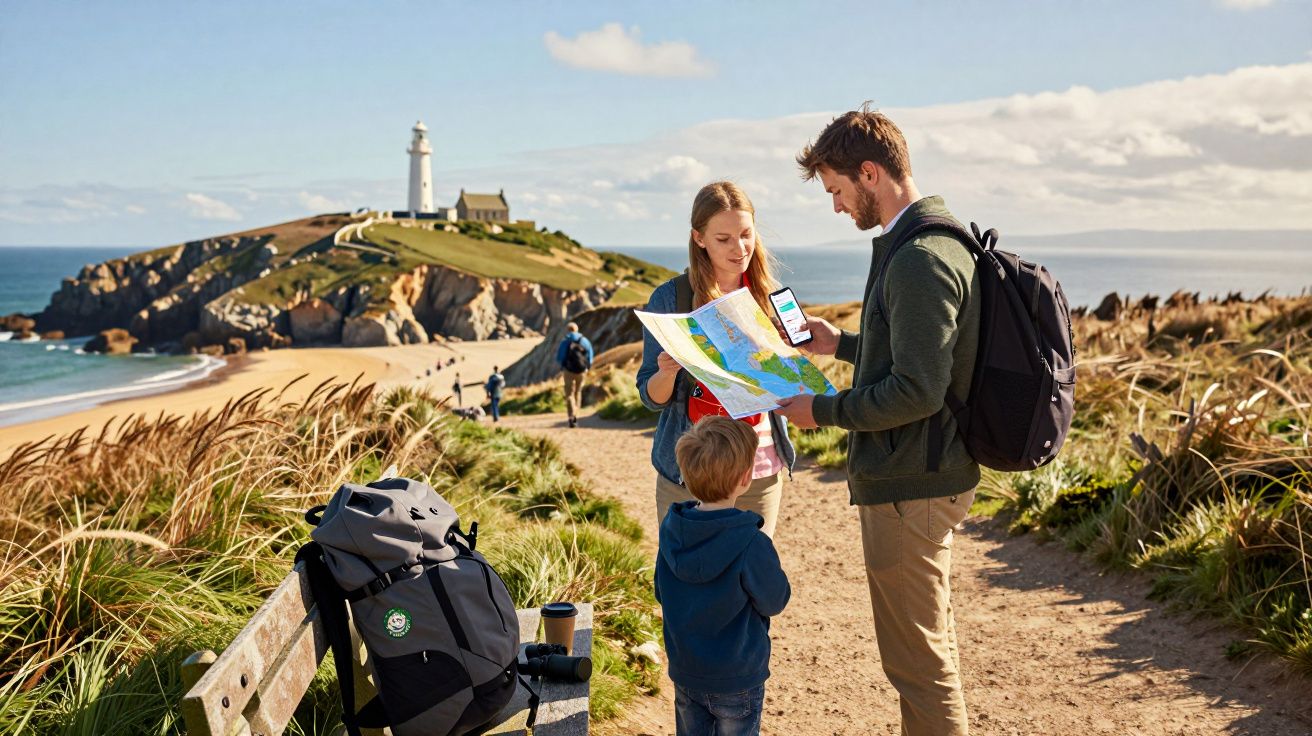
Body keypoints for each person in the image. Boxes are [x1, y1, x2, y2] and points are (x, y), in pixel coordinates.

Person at [775, 104, 981, 736]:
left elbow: (918, 389)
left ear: (870, 174)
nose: (836, 206)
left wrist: (824, 410)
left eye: (837, 190)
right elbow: (921, 357)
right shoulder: (932, 239)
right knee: (925, 654)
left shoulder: (920, 258)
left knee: (918, 666)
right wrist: (841, 345)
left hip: (911, 483)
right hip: (923, 474)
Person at [635, 181, 796, 538]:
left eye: (746, 234)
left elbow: (792, 385)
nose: (739, 249)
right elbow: (650, 397)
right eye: (723, 239)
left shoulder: (772, 297)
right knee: (686, 584)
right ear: (699, 238)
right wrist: (666, 372)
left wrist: (798, 359)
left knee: (754, 584)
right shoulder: (670, 298)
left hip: (759, 468)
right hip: (691, 472)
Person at [655, 416, 790, 736]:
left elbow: (661, 591)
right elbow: (774, 601)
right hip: (738, 676)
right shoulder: (751, 542)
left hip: (686, 671)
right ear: (746, 478)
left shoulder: (671, 533)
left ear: (685, 474)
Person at [556, 321, 594, 428]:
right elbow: (590, 356)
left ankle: (570, 417)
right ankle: (576, 415)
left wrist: (563, 366)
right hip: (581, 371)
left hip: (568, 371)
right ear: (576, 329)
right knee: (578, 392)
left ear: (568, 330)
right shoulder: (585, 340)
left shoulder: (565, 341)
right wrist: (587, 367)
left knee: (569, 394)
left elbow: (560, 357)